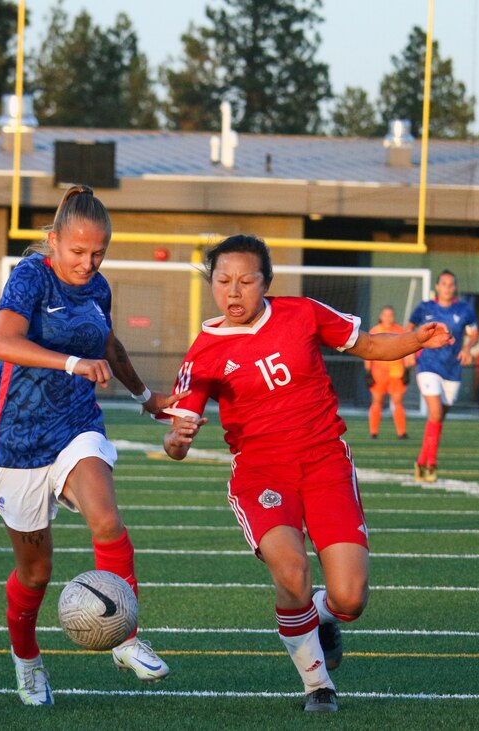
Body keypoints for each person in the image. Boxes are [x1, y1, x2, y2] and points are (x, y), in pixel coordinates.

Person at [161, 235, 451, 713]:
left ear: (267, 283)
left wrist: (415, 340)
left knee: (350, 598)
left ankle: (321, 616)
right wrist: (176, 441)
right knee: (292, 570)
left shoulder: (301, 312)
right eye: (223, 281)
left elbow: (374, 345)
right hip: (261, 474)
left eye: (247, 281)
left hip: (325, 464)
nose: (234, 292)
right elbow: (177, 437)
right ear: (211, 283)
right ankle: (317, 686)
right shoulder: (203, 353)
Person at [0, 186, 185, 706]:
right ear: (53, 241)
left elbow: (109, 344)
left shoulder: (98, 286)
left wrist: (145, 396)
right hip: (17, 440)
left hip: (76, 424)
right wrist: (70, 363)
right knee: (36, 572)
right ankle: (27, 661)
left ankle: (127, 638)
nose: (87, 262)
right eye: (77, 251)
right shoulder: (30, 275)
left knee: (107, 519)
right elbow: (3, 342)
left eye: (98, 254)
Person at [407, 269, 478, 483]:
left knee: (438, 417)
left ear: (454, 287)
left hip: (453, 369)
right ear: (437, 287)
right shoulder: (425, 307)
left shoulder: (465, 309)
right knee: (435, 412)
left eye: (451, 284)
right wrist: (409, 351)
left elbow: (474, 334)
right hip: (428, 365)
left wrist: (467, 348)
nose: (447, 287)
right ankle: (431, 464)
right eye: (443, 284)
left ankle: (420, 461)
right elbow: (408, 328)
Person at [364, 305, 412, 439]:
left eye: (390, 315)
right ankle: (373, 432)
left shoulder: (400, 331)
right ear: (381, 316)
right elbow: (368, 352)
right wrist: (368, 371)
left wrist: (407, 370)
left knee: (397, 401)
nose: (388, 317)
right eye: (385, 315)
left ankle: (401, 432)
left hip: (396, 373)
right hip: (378, 373)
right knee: (377, 401)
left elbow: (407, 351)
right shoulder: (374, 331)